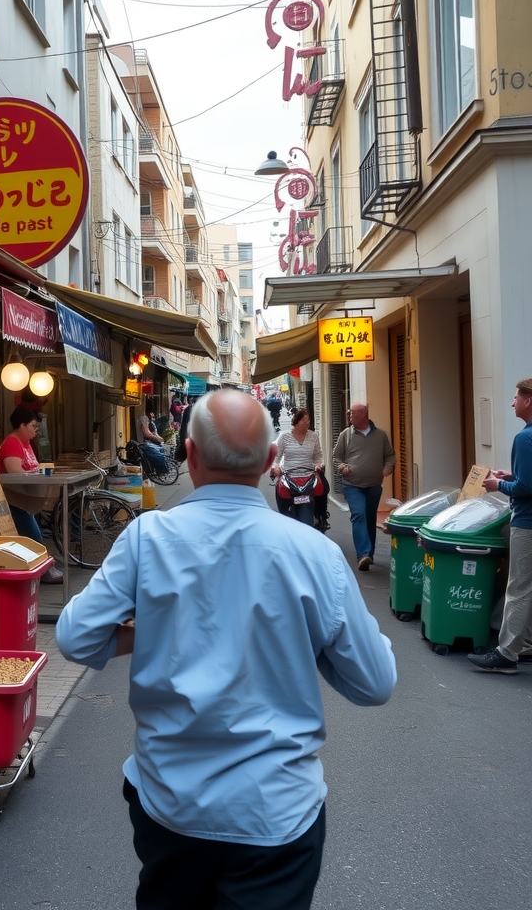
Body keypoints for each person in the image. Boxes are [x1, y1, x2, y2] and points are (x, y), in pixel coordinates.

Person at [56, 390, 396, 910]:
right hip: (277, 815)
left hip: (170, 805)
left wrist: (156, 625)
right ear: (267, 462)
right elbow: (375, 683)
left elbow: (75, 637)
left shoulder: (147, 538)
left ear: (189, 456)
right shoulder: (316, 555)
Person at [468, 378, 532, 673]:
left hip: (527, 522)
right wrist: (512, 478)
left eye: (516, 397)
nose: (512, 402)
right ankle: (525, 644)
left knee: (518, 587)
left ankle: (506, 654)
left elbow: (526, 487)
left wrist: (498, 484)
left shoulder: (525, 438)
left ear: (528, 401)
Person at [0, 406, 63, 583]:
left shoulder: (26, 444)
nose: (35, 431)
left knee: (33, 531)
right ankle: (44, 570)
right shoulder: (12, 443)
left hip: (27, 496)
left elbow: (32, 467)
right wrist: (35, 473)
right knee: (32, 534)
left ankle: (40, 568)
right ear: (22, 425)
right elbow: (15, 472)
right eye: (33, 426)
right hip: (13, 497)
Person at [332, 403, 395, 572]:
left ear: (364, 413)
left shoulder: (380, 435)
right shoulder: (346, 435)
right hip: (352, 485)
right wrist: (342, 467)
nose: (349, 415)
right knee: (358, 515)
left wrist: (388, 468)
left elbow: (390, 456)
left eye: (352, 413)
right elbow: (336, 458)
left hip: (374, 485)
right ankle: (363, 554)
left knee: (369, 518)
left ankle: (369, 554)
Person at [271, 408, 330, 530]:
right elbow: (277, 456)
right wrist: (275, 468)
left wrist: (318, 464)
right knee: (279, 491)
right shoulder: (284, 436)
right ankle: (284, 516)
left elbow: (318, 455)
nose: (307, 423)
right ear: (296, 421)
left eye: (308, 420)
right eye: (304, 420)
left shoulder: (313, 436)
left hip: (309, 474)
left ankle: (322, 516)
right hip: (290, 475)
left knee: (324, 487)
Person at [135, 402, 169, 475]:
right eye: (152, 413)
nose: (153, 415)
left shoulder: (147, 420)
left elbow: (152, 433)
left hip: (145, 443)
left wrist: (159, 438)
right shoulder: (144, 418)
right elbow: (147, 433)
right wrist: (156, 438)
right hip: (143, 444)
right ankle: (160, 471)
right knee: (159, 455)